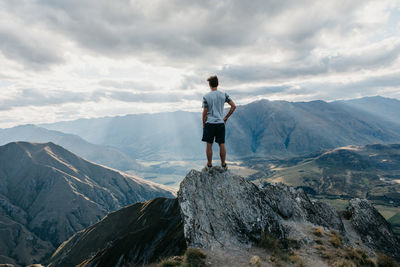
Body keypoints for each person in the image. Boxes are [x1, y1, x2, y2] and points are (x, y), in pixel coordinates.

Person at [202, 75, 236, 170]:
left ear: (209, 85)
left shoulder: (206, 96)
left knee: (209, 144)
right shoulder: (224, 95)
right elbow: (233, 106)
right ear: (218, 84)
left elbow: (205, 112)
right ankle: (223, 164)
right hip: (220, 123)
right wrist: (225, 118)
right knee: (221, 143)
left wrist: (203, 123)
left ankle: (209, 164)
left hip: (210, 123)